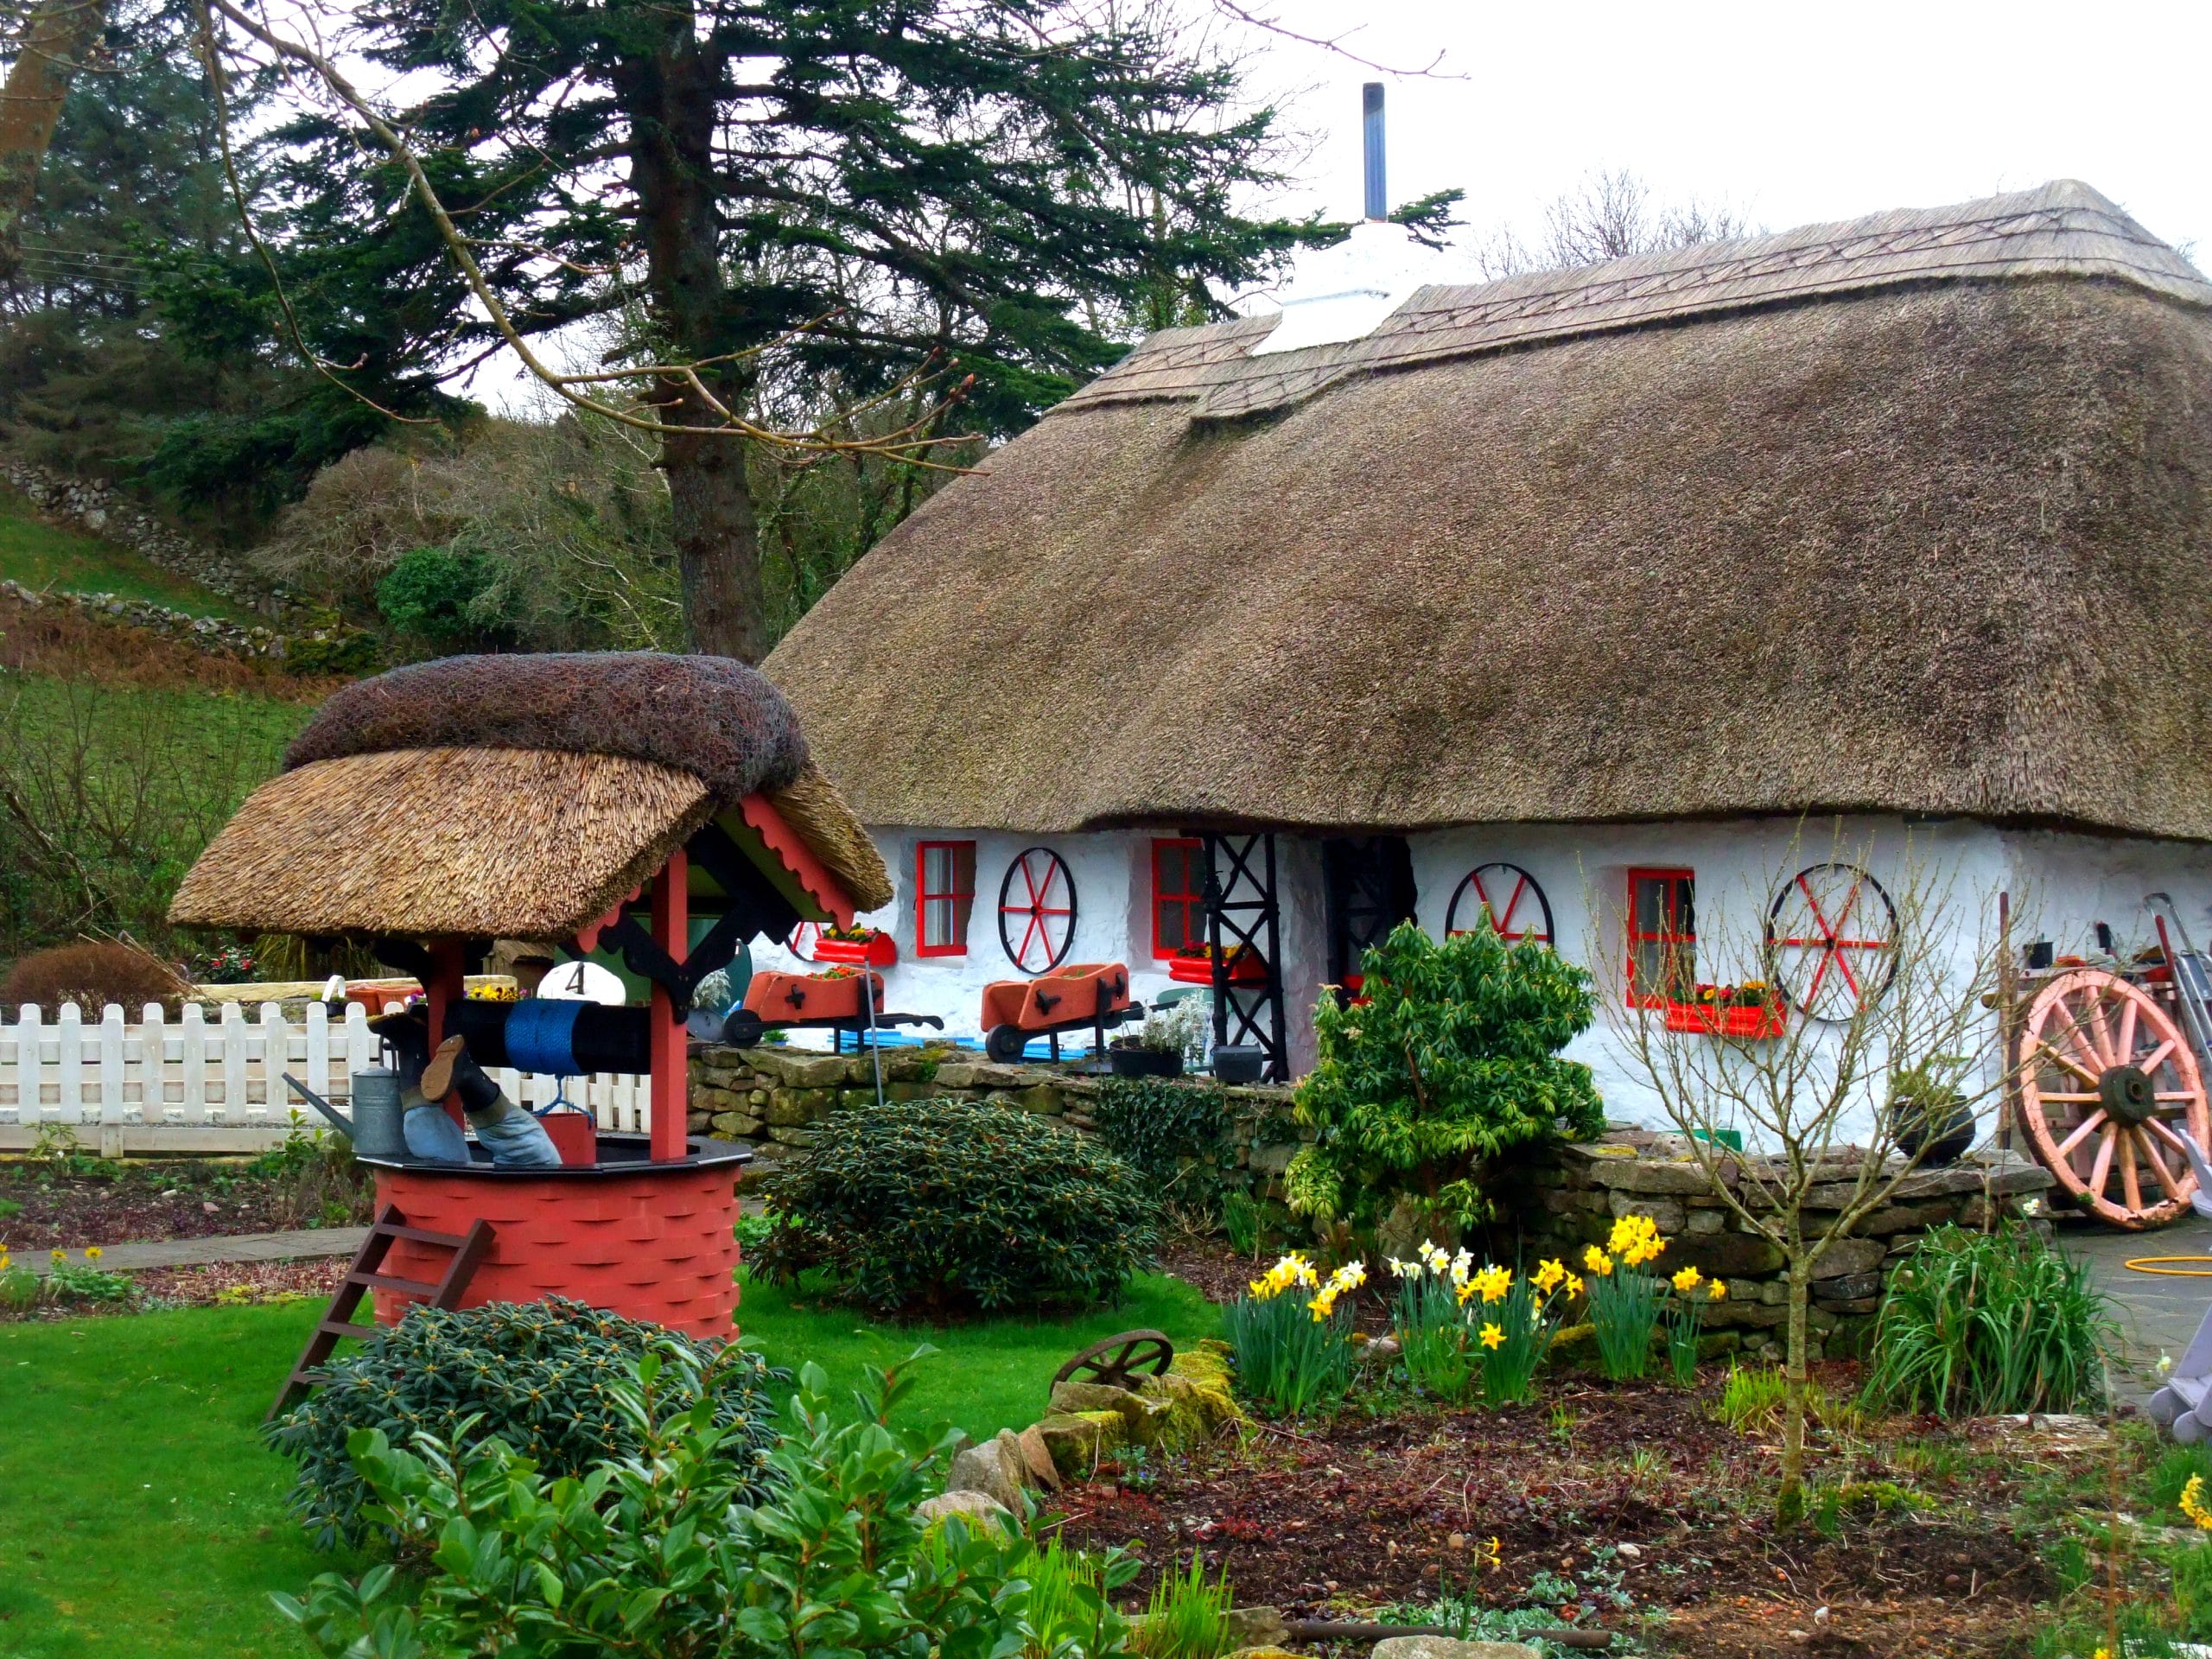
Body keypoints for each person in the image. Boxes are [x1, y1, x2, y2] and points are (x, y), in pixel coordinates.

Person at [370, 1007, 563, 1168]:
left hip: (477, 1202)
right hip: (522, 1201)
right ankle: (426, 1054)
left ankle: (416, 1049)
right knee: (533, 1160)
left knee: (446, 1163)